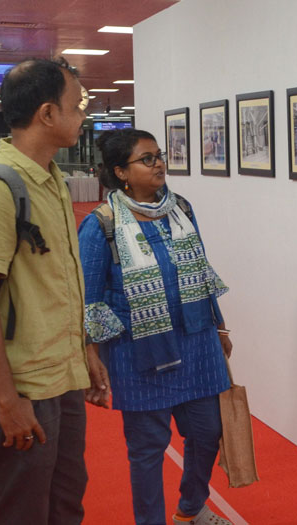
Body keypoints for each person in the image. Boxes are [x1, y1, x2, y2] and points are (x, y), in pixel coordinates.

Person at [0, 56, 107, 524]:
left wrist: (84, 350)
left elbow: (57, 283)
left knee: (66, 501)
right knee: (23, 511)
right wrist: (7, 401)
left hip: (62, 374)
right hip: (23, 384)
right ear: (47, 113)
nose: (82, 116)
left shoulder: (53, 180)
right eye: (76, 105)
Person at [78, 129, 233, 525]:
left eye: (159, 155)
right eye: (146, 159)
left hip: (197, 342)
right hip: (139, 352)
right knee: (147, 450)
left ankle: (191, 509)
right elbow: (89, 299)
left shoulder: (181, 208)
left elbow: (200, 270)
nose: (159, 164)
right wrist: (91, 356)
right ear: (121, 172)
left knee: (207, 431)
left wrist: (219, 325)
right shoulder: (101, 224)